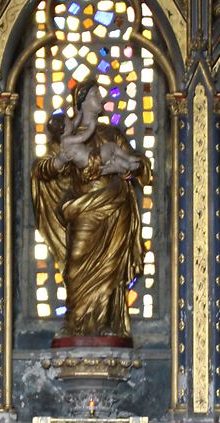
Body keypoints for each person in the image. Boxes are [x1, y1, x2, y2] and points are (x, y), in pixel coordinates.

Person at [31, 79, 151, 342]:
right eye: (96, 93)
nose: (101, 96)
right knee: (75, 266)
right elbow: (42, 170)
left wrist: (123, 169)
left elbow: (141, 165)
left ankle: (108, 324)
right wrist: (61, 160)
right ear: (82, 101)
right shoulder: (68, 134)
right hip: (82, 209)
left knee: (110, 269)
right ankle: (75, 323)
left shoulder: (112, 133)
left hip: (114, 206)